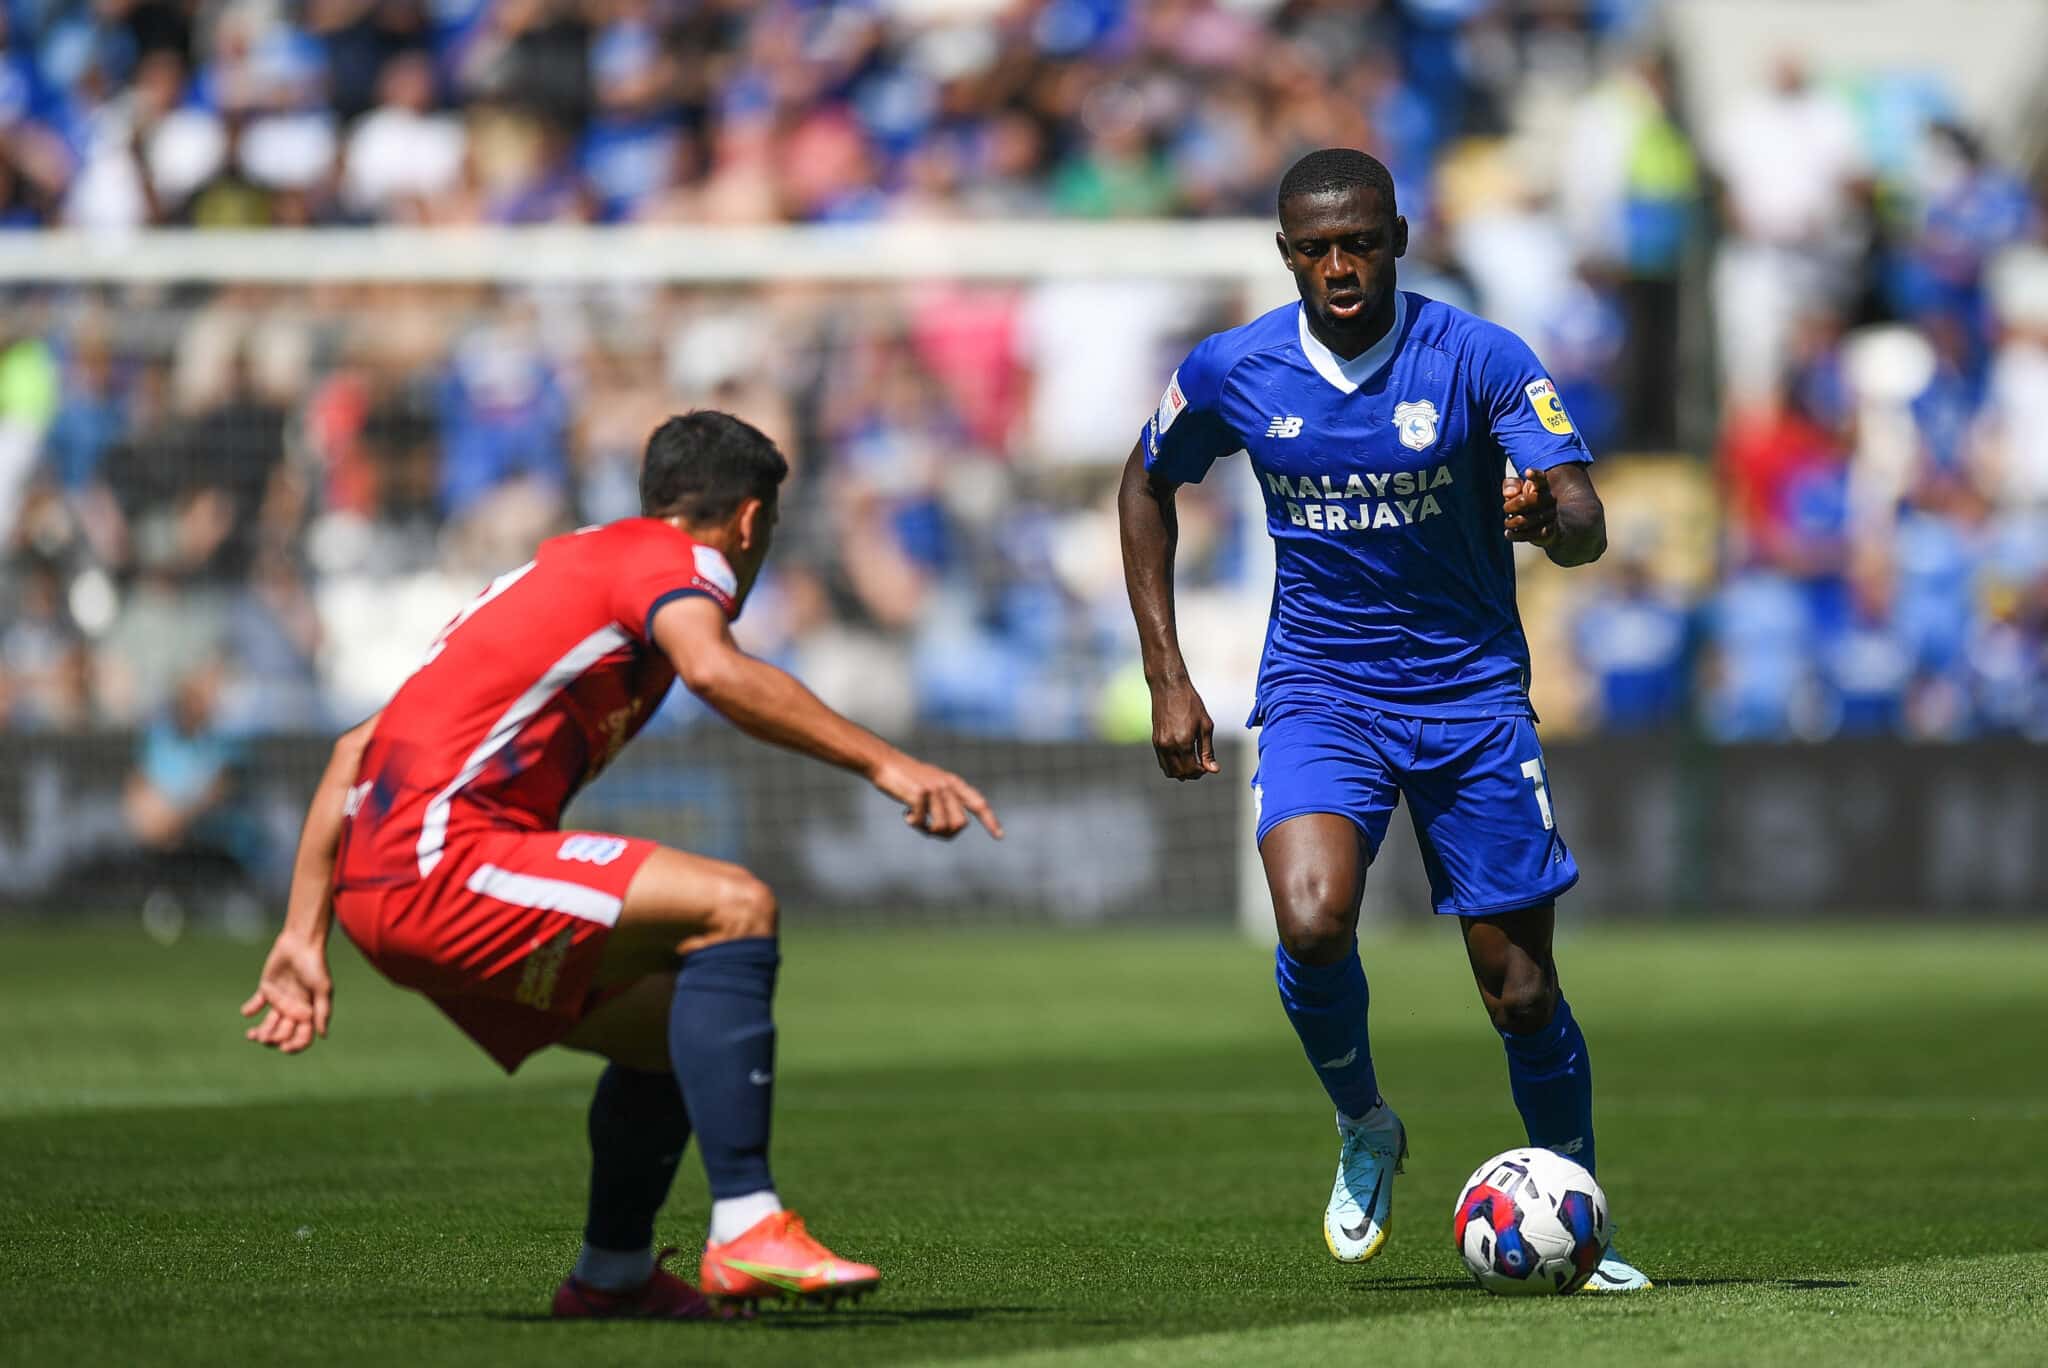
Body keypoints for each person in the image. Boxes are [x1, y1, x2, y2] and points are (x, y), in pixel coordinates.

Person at [241, 411, 1003, 1319]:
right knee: (736, 905)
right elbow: (716, 673)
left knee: (678, 1033)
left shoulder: (567, 570)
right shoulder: (672, 564)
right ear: (751, 522)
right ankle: (748, 1225)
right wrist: (889, 761)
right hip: (440, 863)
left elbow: (351, 752)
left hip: (382, 883)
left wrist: (302, 934)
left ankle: (611, 1275)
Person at [1117, 149, 1649, 1291]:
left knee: (1519, 992)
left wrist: (1547, 520)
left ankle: (1576, 1211)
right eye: (1314, 248)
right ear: (1285, 255)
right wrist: (1166, 673)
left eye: (1358, 241)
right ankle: (1363, 1123)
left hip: (1468, 698)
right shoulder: (1235, 368)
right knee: (1310, 921)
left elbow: (1584, 518)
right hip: (1322, 690)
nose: (1338, 265)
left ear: (1397, 237)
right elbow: (1145, 482)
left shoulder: (1476, 355)